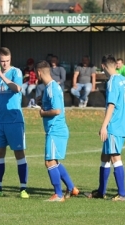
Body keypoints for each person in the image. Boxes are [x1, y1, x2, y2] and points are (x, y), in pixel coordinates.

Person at [0, 47, 29, 199]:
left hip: (14, 120)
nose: (4, 64)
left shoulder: (16, 72)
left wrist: (2, 75)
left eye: (7, 61)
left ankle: (23, 188)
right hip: (0, 121)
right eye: (2, 61)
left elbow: (17, 88)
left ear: (10, 59)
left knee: (19, 154)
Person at [35, 60, 79, 202]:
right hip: (56, 130)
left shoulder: (52, 88)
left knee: (49, 162)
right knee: (54, 161)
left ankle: (58, 194)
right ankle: (72, 188)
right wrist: (42, 102)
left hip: (56, 130)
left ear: (39, 72)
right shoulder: (51, 87)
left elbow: (57, 110)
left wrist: (43, 113)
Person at [86, 55, 125, 201]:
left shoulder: (112, 82)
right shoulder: (124, 80)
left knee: (115, 157)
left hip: (114, 125)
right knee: (105, 156)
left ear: (102, 67)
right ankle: (101, 191)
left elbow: (111, 105)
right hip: (122, 123)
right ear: (116, 65)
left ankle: (122, 193)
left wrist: (104, 126)